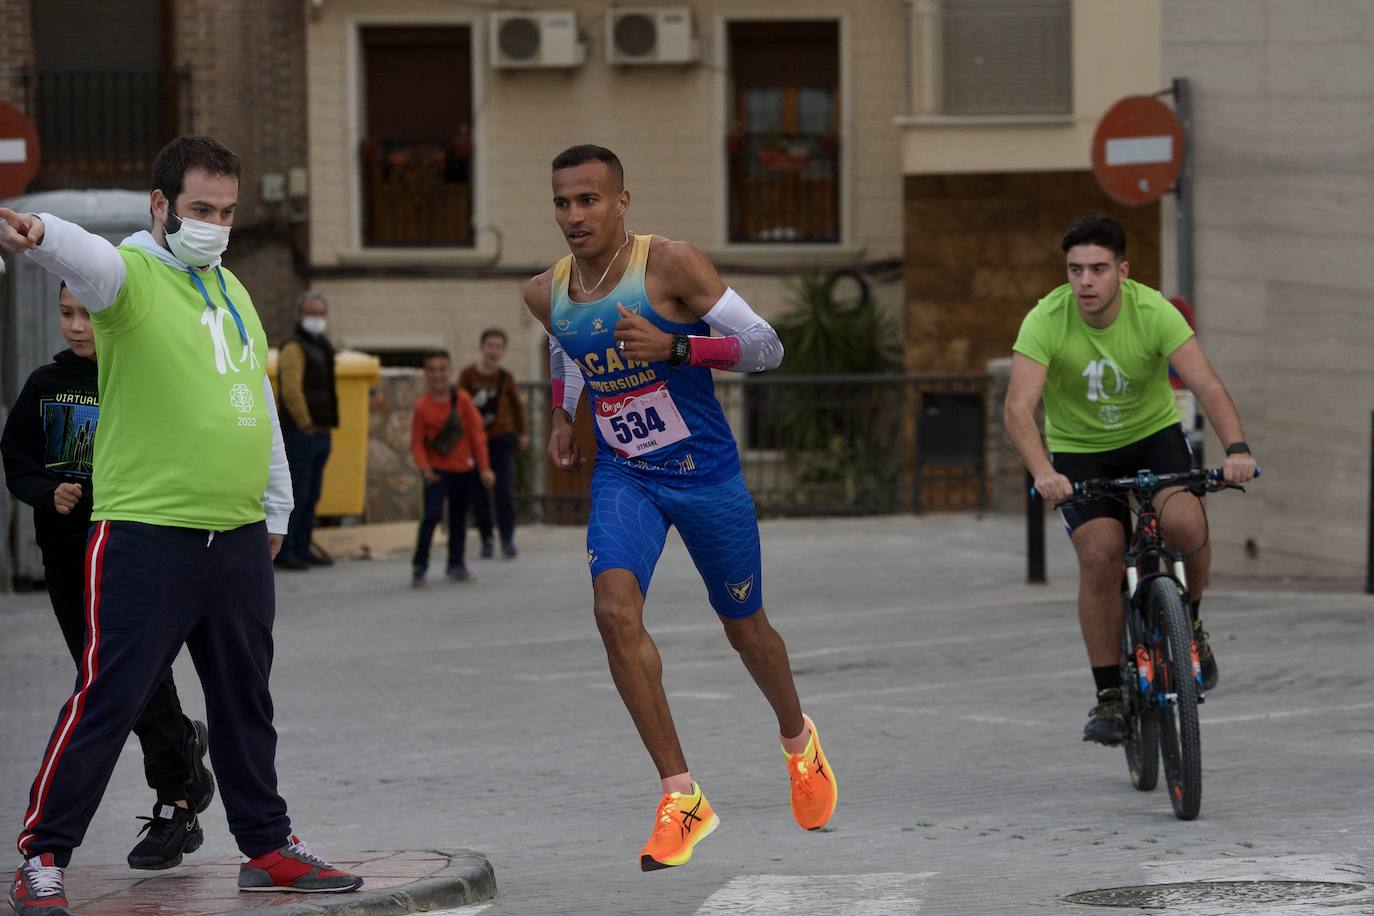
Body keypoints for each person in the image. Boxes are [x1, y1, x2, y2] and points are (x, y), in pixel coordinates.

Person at [0, 135, 362, 916]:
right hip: (146, 534)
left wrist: (276, 506)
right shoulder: (128, 278)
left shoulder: (231, 289)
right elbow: (84, 260)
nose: (215, 225)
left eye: (227, 213)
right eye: (200, 209)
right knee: (110, 697)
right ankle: (43, 856)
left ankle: (266, 846)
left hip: (233, 538)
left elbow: (255, 401)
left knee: (245, 701)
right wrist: (43, 236)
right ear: (160, 206)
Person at [523, 144, 837, 872]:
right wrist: (563, 416)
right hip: (625, 476)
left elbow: (766, 348)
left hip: (706, 476)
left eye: (589, 200)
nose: (574, 215)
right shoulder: (544, 291)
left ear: (621, 202)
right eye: (563, 203)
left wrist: (678, 348)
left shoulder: (671, 264)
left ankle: (798, 740)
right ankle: (681, 796)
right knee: (613, 610)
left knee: (747, 631)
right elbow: (567, 347)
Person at [1003, 215, 1258, 747]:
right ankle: (1110, 695)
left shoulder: (1153, 312)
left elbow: (1207, 385)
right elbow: (1018, 409)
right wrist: (1045, 472)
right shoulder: (1046, 319)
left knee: (1186, 522)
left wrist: (1236, 449)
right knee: (1100, 553)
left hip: (1152, 435)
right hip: (1080, 451)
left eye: (1097, 269)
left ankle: (1191, 626)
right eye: (1075, 270)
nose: (1085, 282)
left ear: (1123, 270)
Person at [0, 283, 216, 873]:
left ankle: (176, 798)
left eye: (89, 316)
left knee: (128, 674)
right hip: (68, 558)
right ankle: (185, 761)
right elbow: (16, 456)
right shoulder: (45, 384)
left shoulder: (142, 379)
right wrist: (48, 492)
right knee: (108, 676)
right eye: (66, 314)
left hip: (132, 552)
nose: (76, 327)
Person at [410, 349, 494, 587]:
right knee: (431, 517)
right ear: (426, 374)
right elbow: (417, 442)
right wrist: (424, 467)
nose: (438, 375)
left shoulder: (463, 400)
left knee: (459, 520)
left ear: (450, 371)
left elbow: (477, 435)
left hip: (463, 470)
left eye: (442, 369)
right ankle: (419, 566)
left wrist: (485, 468)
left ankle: (456, 564)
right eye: (433, 370)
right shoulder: (422, 407)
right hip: (436, 472)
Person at [275, 289, 339, 571]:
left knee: (312, 493)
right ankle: (287, 550)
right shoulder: (294, 347)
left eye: (320, 314)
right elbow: (291, 389)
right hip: (302, 433)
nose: (316, 319)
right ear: (299, 316)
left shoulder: (322, 345)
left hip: (321, 430)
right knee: (297, 493)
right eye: (311, 313)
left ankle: (303, 546)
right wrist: (305, 423)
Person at [459, 328, 528, 559]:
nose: (494, 350)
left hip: (502, 439)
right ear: (482, 347)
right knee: (479, 492)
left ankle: (507, 539)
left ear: (503, 351)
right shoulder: (468, 375)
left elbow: (517, 406)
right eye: (490, 345)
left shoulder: (505, 377)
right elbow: (459, 405)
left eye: (499, 346)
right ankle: (486, 538)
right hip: (475, 440)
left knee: (504, 491)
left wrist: (522, 433)